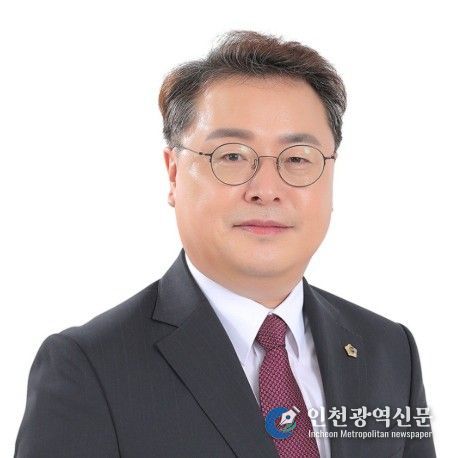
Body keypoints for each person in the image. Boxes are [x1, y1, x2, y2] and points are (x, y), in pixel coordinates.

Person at [14, 30, 436, 458]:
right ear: (174, 174)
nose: (267, 190)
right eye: (232, 156)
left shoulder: (389, 350)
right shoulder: (89, 368)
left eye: (297, 158)